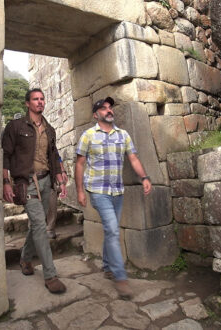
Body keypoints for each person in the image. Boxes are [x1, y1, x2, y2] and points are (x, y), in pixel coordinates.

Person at [75, 97, 152, 299]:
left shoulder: (123, 135)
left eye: (110, 108)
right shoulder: (88, 136)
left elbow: (133, 158)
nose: (109, 111)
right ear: (96, 114)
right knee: (112, 229)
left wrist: (144, 177)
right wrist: (80, 191)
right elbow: (80, 164)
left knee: (111, 230)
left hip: (117, 191)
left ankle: (108, 266)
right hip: (98, 191)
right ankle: (120, 277)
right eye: (104, 108)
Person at [2, 88, 67, 294]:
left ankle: (24, 258)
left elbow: (53, 154)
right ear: (27, 103)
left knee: (37, 226)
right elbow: (5, 155)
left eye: (42, 99)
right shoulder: (15, 126)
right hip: (26, 182)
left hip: (46, 181)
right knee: (40, 225)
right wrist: (5, 181)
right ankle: (50, 275)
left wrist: (59, 176)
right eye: (35, 99)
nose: (40, 102)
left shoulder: (49, 129)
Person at [46, 156, 68, 239]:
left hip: (49, 175)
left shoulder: (49, 143)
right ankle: (34, 231)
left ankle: (50, 228)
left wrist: (62, 171)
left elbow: (56, 157)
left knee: (52, 201)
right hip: (32, 176)